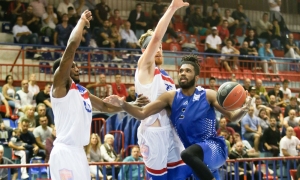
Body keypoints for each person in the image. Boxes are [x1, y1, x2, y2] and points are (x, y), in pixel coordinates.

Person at [105, 54, 251, 179]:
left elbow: (232, 116)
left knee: (187, 154)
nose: (183, 73)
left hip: (214, 148)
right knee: (189, 156)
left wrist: (244, 109)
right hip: (196, 160)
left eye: (188, 71)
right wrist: (123, 104)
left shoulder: (207, 94)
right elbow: (142, 112)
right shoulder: (170, 97)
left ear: (196, 76)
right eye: (181, 71)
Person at [49, 10, 148, 180]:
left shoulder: (82, 91)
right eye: (73, 66)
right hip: (64, 150)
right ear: (63, 71)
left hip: (79, 152)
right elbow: (72, 46)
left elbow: (104, 106)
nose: (77, 68)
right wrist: (81, 22)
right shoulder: (59, 87)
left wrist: (131, 105)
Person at [125, 0, 192, 179]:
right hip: (154, 132)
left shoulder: (167, 77)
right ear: (144, 50)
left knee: (181, 173)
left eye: (161, 47)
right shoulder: (144, 66)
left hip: (170, 130)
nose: (159, 50)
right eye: (156, 47)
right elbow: (155, 38)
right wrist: (172, 8)